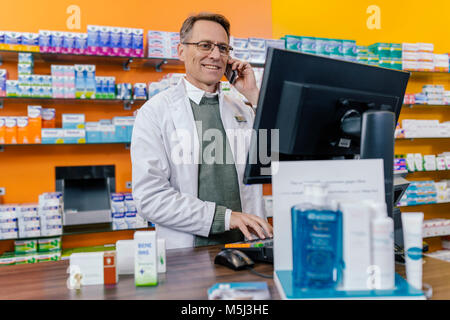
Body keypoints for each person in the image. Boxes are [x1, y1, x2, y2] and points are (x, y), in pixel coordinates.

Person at [131, 12, 273, 249]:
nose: (215, 55)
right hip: (189, 253)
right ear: (181, 51)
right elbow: (150, 198)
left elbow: (271, 162)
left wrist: (254, 96)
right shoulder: (155, 112)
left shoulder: (243, 109)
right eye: (204, 45)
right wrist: (225, 218)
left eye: (223, 48)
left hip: (248, 248)